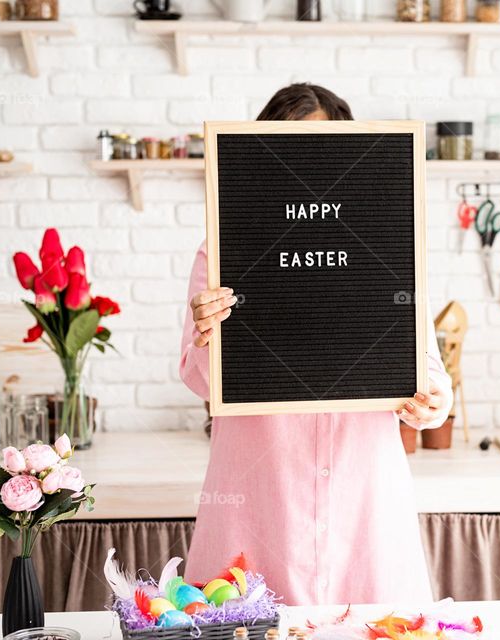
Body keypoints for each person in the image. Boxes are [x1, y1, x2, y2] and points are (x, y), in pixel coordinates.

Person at [180, 83, 453, 605]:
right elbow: (202, 380)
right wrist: (208, 333)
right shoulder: (220, 248)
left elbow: (426, 371)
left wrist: (434, 402)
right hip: (260, 504)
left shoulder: (386, 244)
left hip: (365, 507)